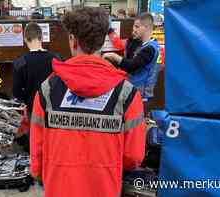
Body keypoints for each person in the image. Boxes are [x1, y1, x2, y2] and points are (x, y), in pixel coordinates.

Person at [30, 7, 146, 197]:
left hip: (59, 188)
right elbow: (133, 156)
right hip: (104, 188)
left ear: (73, 40)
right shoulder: (127, 93)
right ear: (103, 41)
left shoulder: (47, 89)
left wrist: (40, 173)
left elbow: (37, 147)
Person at [103, 13, 160, 112]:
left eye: (137, 26)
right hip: (134, 92)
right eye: (134, 26)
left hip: (141, 96)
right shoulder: (141, 45)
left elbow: (132, 66)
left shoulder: (150, 49)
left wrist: (114, 57)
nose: (133, 29)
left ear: (146, 28)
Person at [13, 22, 62, 118]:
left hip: (33, 111)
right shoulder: (56, 59)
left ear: (25, 39)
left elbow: (17, 93)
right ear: (41, 38)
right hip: (54, 111)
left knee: (34, 133)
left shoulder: (20, 63)